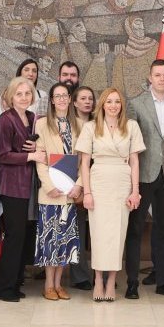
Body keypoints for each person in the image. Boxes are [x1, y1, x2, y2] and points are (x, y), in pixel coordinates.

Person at [125, 60, 164, 300]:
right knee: (135, 228)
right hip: (142, 175)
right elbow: (130, 143)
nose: (162, 79)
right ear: (150, 77)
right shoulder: (136, 104)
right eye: (158, 75)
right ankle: (132, 282)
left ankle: (163, 281)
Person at [76, 88, 144, 302]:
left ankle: (111, 280)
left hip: (122, 182)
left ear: (122, 105)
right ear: (102, 105)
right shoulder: (90, 127)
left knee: (118, 233)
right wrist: (87, 192)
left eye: (117, 101)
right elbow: (84, 163)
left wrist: (135, 191)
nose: (113, 105)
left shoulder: (131, 126)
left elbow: (134, 161)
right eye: (109, 101)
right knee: (98, 234)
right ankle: (98, 279)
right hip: (99, 181)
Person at [0, 76, 46, 302]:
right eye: (19, 94)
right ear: (10, 96)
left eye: (27, 93)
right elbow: (4, 155)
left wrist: (36, 147)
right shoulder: (5, 120)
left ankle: (15, 284)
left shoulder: (33, 118)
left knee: (23, 236)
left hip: (29, 185)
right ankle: (3, 289)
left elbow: (38, 146)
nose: (24, 97)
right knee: (14, 236)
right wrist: (30, 156)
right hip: (12, 185)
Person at [34, 82, 85, 300]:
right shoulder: (42, 124)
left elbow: (84, 161)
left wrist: (79, 184)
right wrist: (49, 186)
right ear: (52, 101)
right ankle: (48, 284)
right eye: (58, 96)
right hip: (50, 193)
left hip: (70, 193)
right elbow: (40, 160)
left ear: (70, 99)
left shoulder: (80, 125)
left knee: (65, 240)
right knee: (50, 240)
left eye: (65, 95)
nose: (62, 99)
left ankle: (59, 283)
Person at [67, 84, 96, 291]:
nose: (87, 102)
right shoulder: (68, 125)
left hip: (98, 181)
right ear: (74, 102)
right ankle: (80, 276)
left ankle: (102, 273)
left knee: (98, 231)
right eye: (83, 98)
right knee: (77, 231)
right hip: (74, 184)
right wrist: (78, 184)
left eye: (90, 99)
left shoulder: (99, 123)